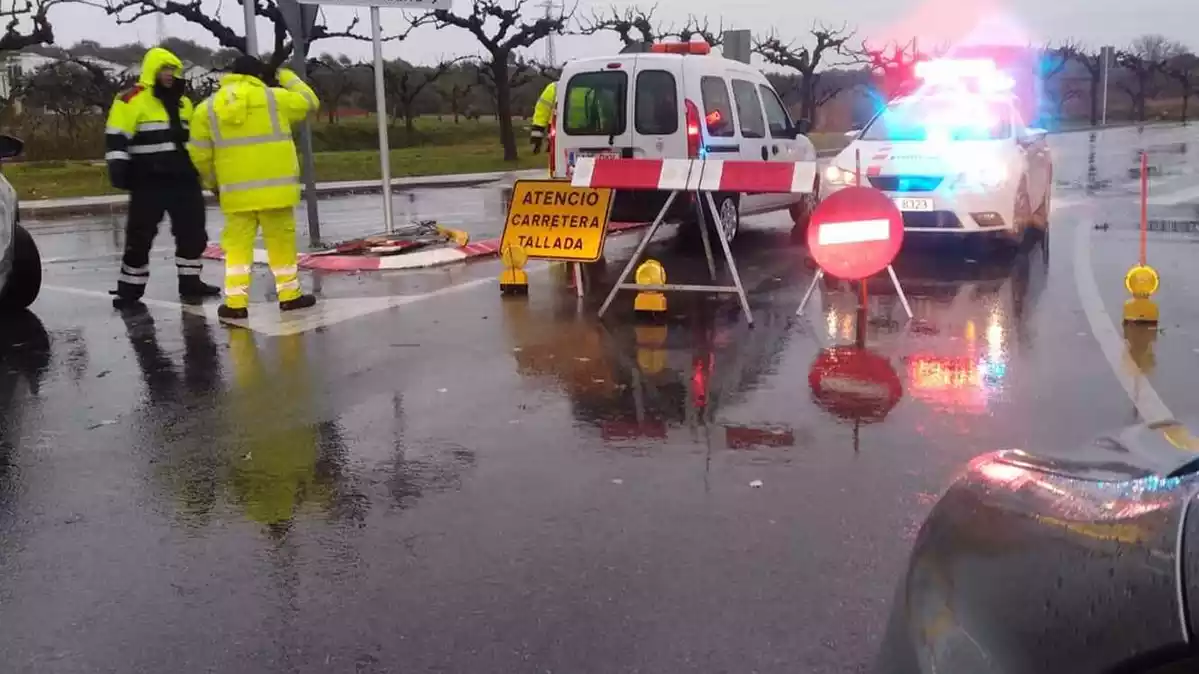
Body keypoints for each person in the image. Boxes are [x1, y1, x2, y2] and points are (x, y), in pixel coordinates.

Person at [187, 55, 320, 320]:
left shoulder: (207, 109)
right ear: (259, 76)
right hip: (276, 190)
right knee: (281, 243)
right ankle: (289, 296)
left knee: (237, 247)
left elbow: (199, 156)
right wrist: (285, 76)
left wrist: (213, 184)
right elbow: (310, 101)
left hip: (235, 193)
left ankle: (235, 303)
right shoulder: (275, 99)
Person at [105, 47, 221, 306]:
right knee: (140, 236)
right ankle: (129, 290)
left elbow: (196, 140)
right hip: (148, 180)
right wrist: (118, 168)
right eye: (164, 70)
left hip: (183, 179)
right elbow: (116, 137)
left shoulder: (184, 103)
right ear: (152, 71)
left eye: (172, 70)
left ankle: (191, 283)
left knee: (193, 233)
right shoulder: (130, 99)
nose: (169, 75)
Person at [530, 80, 556, 154]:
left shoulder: (554, 88)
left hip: (556, 124)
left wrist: (536, 142)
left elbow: (541, 113)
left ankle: (547, 148)